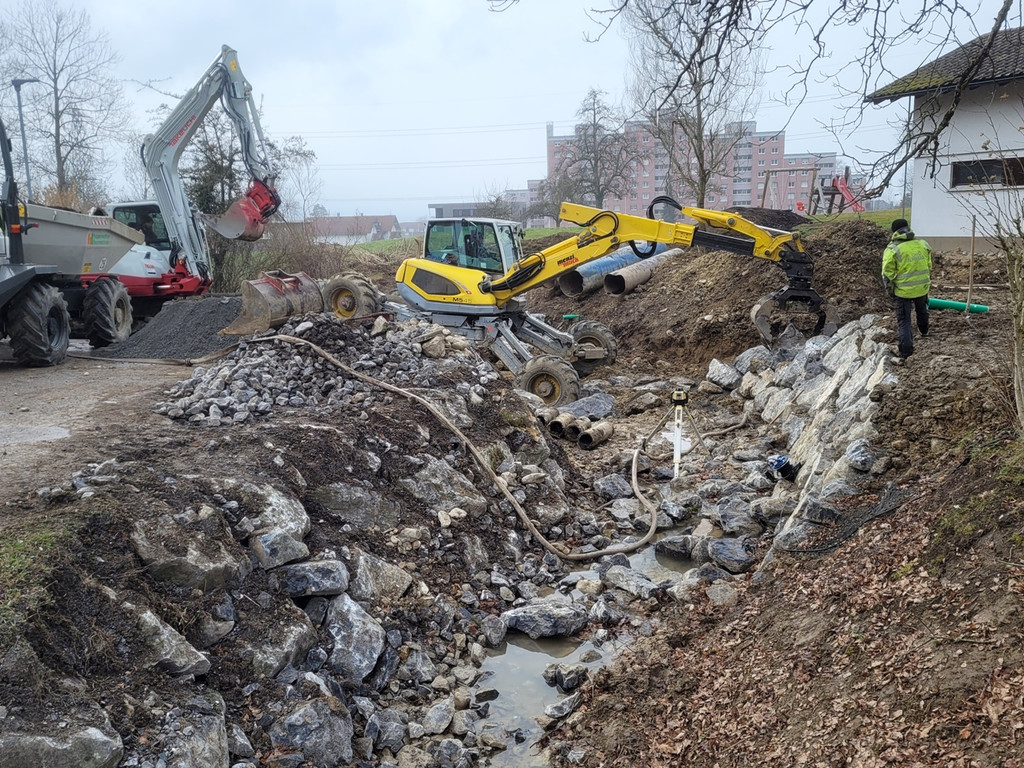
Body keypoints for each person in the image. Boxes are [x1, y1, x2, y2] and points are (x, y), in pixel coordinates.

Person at [881, 217, 932, 359]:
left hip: (903, 292)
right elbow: (929, 266)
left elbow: (887, 274)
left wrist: (890, 291)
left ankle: (905, 351)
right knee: (922, 311)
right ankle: (924, 331)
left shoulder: (893, 249)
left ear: (894, 232)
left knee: (904, 320)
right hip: (922, 288)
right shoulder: (923, 244)